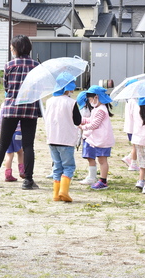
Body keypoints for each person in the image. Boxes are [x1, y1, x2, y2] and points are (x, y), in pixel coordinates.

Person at [0, 35, 40, 190]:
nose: (11, 49)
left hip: (11, 107)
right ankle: (28, 180)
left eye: (12, 47)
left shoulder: (9, 65)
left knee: (3, 143)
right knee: (28, 145)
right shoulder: (36, 66)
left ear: (16, 48)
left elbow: (6, 88)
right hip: (30, 108)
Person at [44, 73, 82, 201]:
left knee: (57, 167)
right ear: (68, 88)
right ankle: (64, 192)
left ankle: (56, 194)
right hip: (66, 139)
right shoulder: (71, 102)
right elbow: (77, 121)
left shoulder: (49, 101)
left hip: (52, 139)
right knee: (69, 166)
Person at [79, 85, 115, 190]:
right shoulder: (97, 108)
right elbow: (91, 119)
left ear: (96, 97)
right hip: (99, 139)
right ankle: (102, 180)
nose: (90, 101)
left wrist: (83, 126)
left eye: (90, 99)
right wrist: (81, 120)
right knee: (101, 160)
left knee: (103, 161)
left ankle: (103, 181)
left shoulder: (101, 110)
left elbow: (95, 124)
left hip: (103, 139)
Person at [0, 105, 24, 182]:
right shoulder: (21, 104)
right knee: (20, 152)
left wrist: (1, 130)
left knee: (9, 154)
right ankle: (22, 171)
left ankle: (8, 174)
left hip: (7, 131)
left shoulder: (4, 104)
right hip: (18, 131)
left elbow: (0, 118)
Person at [76, 91, 98, 185]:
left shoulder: (84, 111)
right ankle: (92, 176)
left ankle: (92, 177)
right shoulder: (94, 109)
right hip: (94, 137)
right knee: (92, 157)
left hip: (88, 138)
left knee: (90, 157)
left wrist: (77, 141)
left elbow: (79, 127)